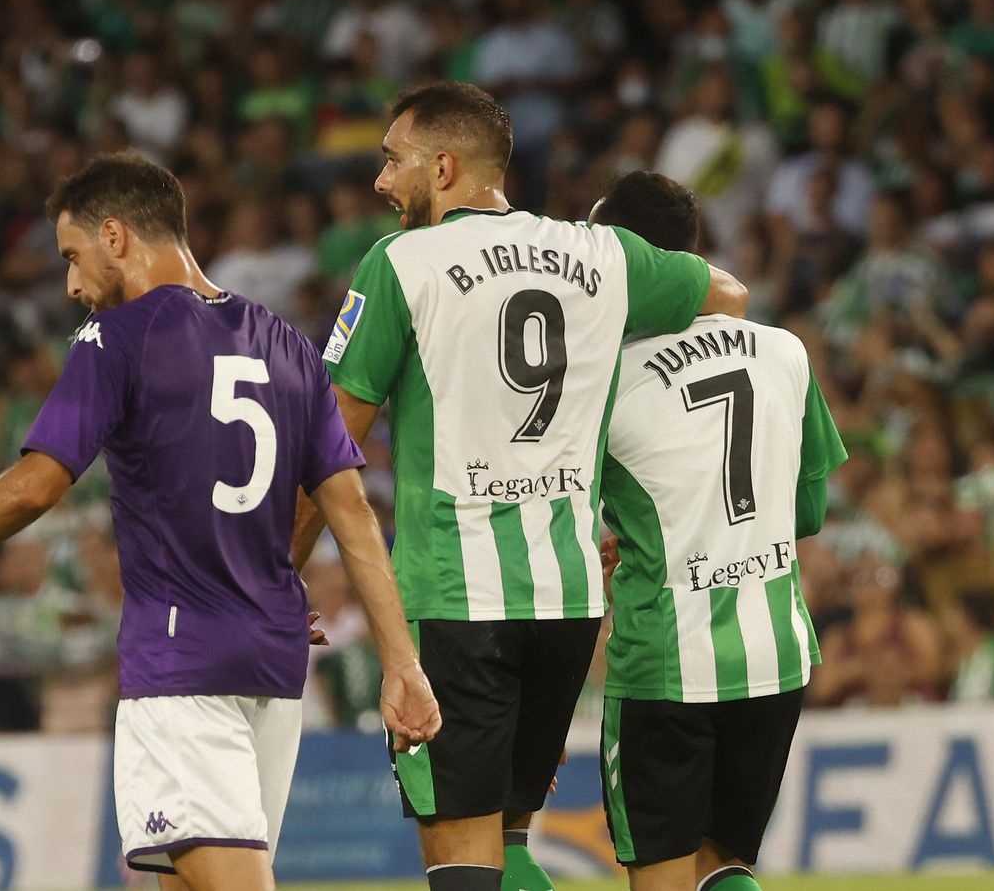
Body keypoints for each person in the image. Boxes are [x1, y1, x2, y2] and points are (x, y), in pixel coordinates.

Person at [0, 152, 441, 891]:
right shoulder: (290, 345)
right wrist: (400, 662)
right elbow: (352, 516)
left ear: (115, 237)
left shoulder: (117, 340)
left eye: (73, 257)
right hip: (271, 663)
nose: (71, 284)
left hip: (181, 663)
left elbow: (38, 485)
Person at [292, 82, 750, 891]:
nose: (380, 181)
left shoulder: (401, 263)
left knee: (462, 859)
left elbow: (328, 449)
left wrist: (276, 575)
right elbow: (724, 295)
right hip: (566, 601)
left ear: (443, 166)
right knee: (508, 841)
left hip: (459, 602)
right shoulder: (600, 254)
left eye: (393, 161)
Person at [590, 171, 848, 891]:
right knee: (725, 865)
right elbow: (807, 514)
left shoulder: (605, 378)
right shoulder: (786, 350)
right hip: (774, 653)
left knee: (664, 877)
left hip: (669, 661)